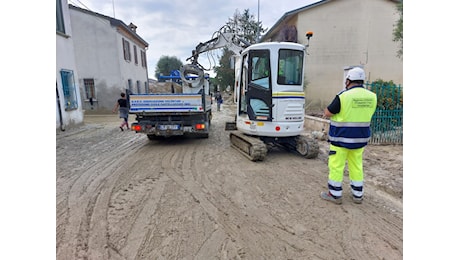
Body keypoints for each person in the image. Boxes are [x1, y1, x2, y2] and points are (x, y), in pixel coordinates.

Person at [320, 67, 377, 205]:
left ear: (348, 80)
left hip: (341, 139)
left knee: (336, 166)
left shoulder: (343, 96)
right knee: (357, 166)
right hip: (360, 140)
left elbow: (328, 112)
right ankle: (358, 194)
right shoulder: (372, 96)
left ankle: (334, 194)